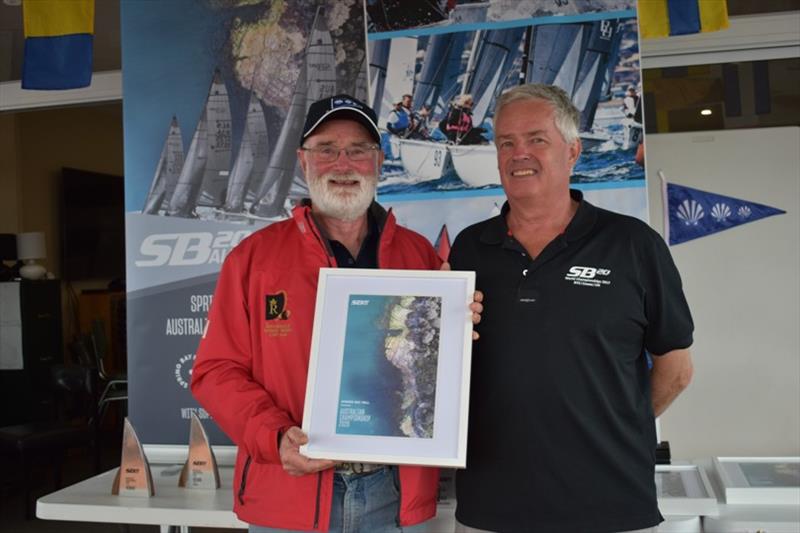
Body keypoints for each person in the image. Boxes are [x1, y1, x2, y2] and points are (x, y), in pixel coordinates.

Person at [191, 94, 482, 533]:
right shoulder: (253, 259)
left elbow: (433, 370)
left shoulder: (420, 255)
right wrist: (275, 437)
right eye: (326, 149)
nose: (342, 164)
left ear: (379, 161)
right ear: (303, 161)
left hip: (396, 496)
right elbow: (215, 371)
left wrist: (459, 331)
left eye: (358, 150)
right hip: (290, 499)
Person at [449, 84, 694, 532]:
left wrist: (613, 424)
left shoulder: (634, 245)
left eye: (537, 139)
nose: (519, 153)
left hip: (611, 507)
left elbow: (676, 369)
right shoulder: (468, 248)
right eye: (506, 142)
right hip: (494, 509)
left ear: (573, 151)